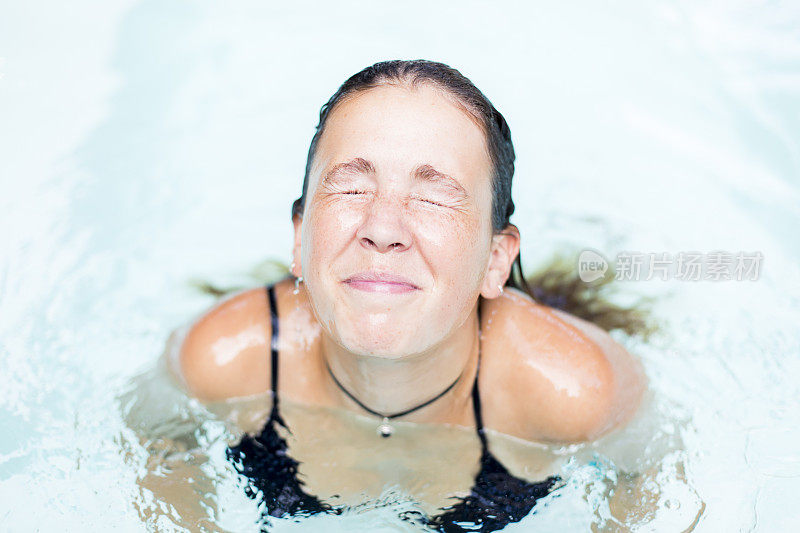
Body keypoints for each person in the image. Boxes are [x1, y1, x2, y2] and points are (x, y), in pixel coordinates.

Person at [173, 59, 647, 531]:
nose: (382, 228)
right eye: (351, 187)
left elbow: (642, 485)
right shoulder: (222, 362)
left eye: (433, 198)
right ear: (300, 241)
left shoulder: (575, 391)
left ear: (495, 261)